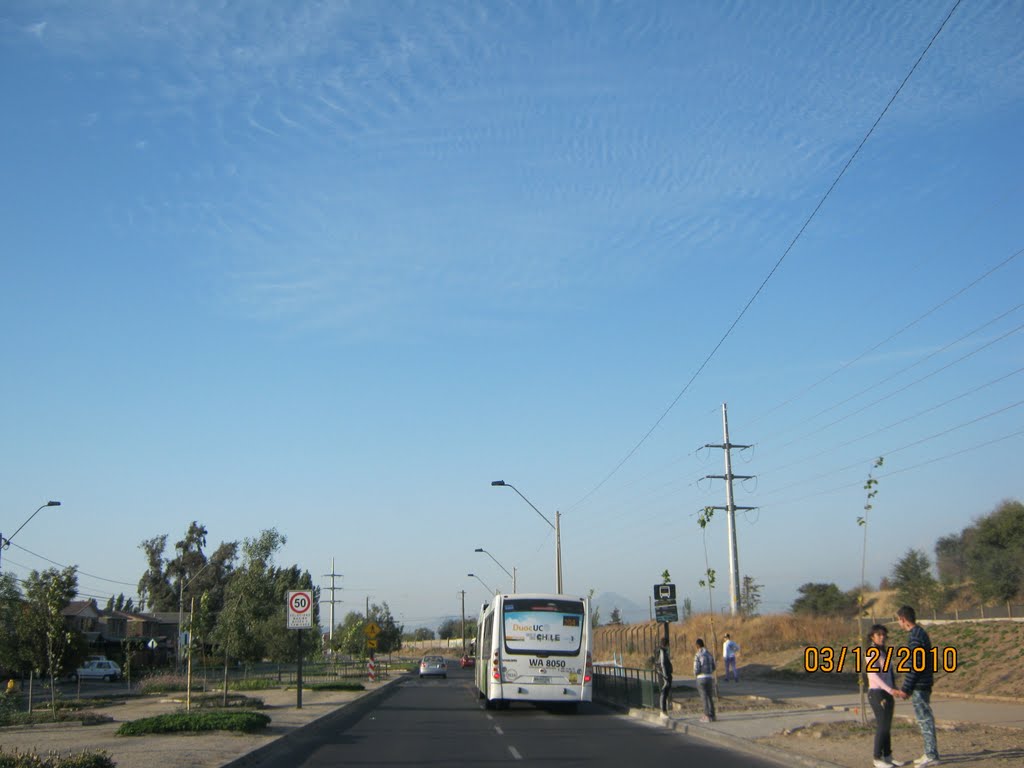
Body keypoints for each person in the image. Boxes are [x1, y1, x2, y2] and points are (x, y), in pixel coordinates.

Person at [895, 605, 940, 767]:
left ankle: (931, 754)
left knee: (924, 719)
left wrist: (906, 688)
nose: (898, 624)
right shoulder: (920, 633)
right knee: (923, 719)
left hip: (920, 684)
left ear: (903, 619)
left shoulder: (915, 636)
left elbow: (915, 664)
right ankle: (929, 752)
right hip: (923, 682)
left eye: (898, 620)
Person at [866, 624, 905, 768]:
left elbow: (888, 674)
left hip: (887, 692)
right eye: (879, 635)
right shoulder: (871, 652)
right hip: (877, 693)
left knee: (887, 725)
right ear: (872, 637)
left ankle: (887, 756)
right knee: (882, 726)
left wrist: (895, 688)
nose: (882, 637)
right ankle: (877, 758)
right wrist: (889, 689)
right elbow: (873, 675)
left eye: (883, 635)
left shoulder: (883, 652)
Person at [693, 638, 716, 722]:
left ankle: (706, 715)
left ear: (697, 645)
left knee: (704, 697)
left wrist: (696, 673)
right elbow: (714, 666)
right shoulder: (709, 654)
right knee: (710, 697)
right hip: (710, 677)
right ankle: (712, 715)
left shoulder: (698, 654)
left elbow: (696, 668)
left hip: (701, 678)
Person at [654, 636, 673, 716]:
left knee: (664, 692)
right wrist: (665, 676)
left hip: (663, 674)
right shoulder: (661, 651)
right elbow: (662, 664)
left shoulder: (661, 651)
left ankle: (664, 711)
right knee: (663, 692)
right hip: (664, 675)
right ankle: (663, 711)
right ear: (666, 644)